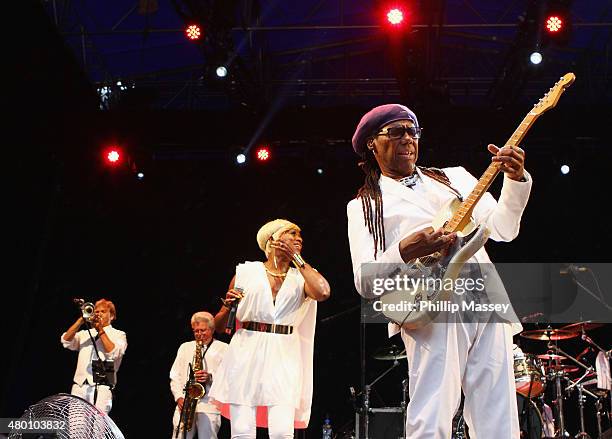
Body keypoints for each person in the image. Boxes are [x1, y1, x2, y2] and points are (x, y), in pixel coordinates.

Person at [347, 104, 532, 438]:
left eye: (412, 131)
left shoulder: (455, 178)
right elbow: (365, 279)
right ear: (372, 144)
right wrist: (405, 251)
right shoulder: (366, 204)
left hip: (485, 298)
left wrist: (515, 179)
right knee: (433, 410)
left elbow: (504, 228)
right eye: (395, 131)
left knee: (499, 411)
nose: (407, 138)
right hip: (430, 305)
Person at [209, 219, 331, 439]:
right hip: (245, 352)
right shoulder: (246, 273)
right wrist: (227, 306)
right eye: (291, 234)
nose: (298, 239)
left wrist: (297, 258)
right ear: (273, 241)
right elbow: (218, 327)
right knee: (242, 432)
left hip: (284, 355)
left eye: (299, 236)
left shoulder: (301, 277)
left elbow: (323, 293)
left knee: (283, 432)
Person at [61, 298, 127, 414]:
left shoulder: (119, 334)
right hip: (79, 386)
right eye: (96, 311)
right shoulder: (85, 333)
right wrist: (81, 321)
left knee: (98, 428)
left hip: (103, 385)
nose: (98, 314)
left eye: (103, 311)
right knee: (76, 429)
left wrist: (100, 329)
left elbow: (113, 352)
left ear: (111, 316)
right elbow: (66, 341)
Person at [170, 311, 228, 439]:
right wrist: (179, 397)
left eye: (203, 330)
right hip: (185, 404)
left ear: (212, 330)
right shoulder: (185, 347)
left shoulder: (224, 348)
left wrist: (210, 378)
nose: (199, 335)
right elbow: (175, 376)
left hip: (210, 405)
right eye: (196, 331)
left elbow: (229, 378)